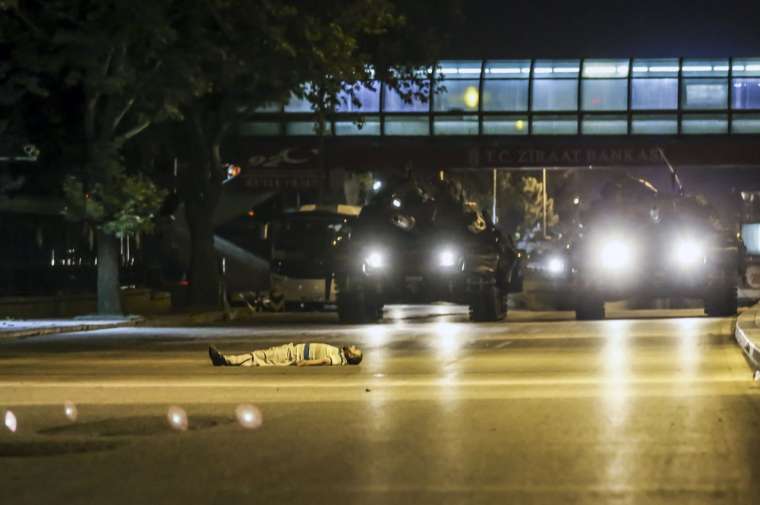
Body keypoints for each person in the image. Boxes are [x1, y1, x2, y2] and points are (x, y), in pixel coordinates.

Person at [208, 342, 363, 367]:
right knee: (262, 356)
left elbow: (324, 361)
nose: (354, 346)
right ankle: (226, 360)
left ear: (351, 356)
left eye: (356, 349)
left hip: (294, 355)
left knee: (259, 356)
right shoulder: (340, 353)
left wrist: (305, 363)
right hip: (293, 350)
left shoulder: (339, 358)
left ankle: (224, 360)